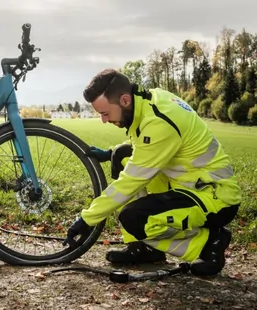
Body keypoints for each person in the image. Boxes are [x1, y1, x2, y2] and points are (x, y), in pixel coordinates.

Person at [63, 68, 241, 276]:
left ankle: (209, 243)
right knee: (121, 155)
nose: (103, 120)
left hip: (214, 196)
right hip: (188, 182)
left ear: (125, 100)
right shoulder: (150, 100)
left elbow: (130, 182)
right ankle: (142, 249)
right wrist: (110, 153)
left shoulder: (159, 122)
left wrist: (87, 219)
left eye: (105, 113)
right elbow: (145, 143)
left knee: (133, 217)